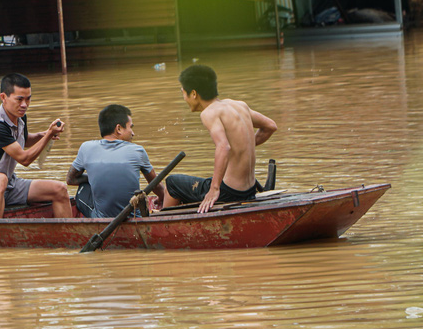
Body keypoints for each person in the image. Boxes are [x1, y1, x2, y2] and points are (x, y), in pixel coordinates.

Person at [163, 65, 277, 213]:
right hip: (249, 189)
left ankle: (164, 225)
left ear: (194, 94)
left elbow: (223, 147)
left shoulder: (209, 113)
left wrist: (214, 189)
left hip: (229, 192)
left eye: (183, 93)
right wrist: (245, 144)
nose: (184, 98)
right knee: (203, 181)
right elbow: (270, 126)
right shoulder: (240, 105)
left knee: (172, 183)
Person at [0, 73, 72, 219]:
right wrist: (47, 136)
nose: (24, 105)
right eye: (19, 99)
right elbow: (24, 159)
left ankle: (68, 238)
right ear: (3, 97)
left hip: (8, 183)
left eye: (28, 99)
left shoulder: (20, 117)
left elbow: (24, 140)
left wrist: (45, 134)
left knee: (60, 189)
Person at [66, 104, 163, 218]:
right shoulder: (138, 151)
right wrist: (162, 197)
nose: (133, 133)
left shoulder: (86, 148)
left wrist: (93, 177)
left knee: (83, 188)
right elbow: (156, 186)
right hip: (133, 218)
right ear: (118, 129)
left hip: (103, 220)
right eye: (130, 127)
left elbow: (70, 179)